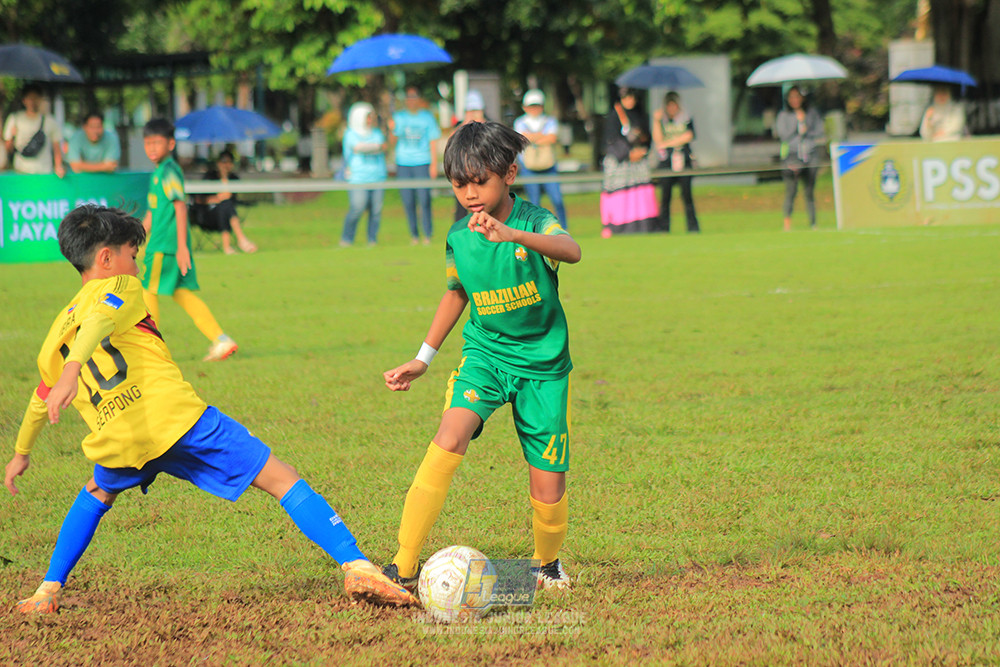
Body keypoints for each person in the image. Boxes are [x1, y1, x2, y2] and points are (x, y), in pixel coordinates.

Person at [4, 205, 418, 615]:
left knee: (96, 493)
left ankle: (47, 590)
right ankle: (357, 565)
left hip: (120, 437)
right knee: (281, 478)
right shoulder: (121, 288)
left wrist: (22, 453)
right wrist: (74, 367)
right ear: (106, 258)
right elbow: (97, 321)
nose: (137, 267)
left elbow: (39, 400)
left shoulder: (52, 335)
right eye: (133, 256)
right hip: (176, 419)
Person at [380, 121, 581, 593]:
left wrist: (512, 234)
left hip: (543, 368)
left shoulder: (533, 222)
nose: (470, 193)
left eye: (480, 181)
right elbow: (456, 293)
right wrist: (423, 358)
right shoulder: (457, 236)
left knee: (548, 485)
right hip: (485, 356)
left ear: (509, 173)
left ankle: (544, 567)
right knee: (449, 437)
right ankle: (402, 567)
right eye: (459, 183)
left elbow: (571, 250)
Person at [140, 118, 239, 361]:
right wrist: (137, 236)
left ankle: (152, 349)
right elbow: (154, 211)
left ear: (171, 144)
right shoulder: (160, 172)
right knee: (181, 293)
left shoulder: (169, 171)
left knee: (147, 289)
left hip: (165, 245)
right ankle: (221, 340)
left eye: (157, 143)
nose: (151, 148)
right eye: (147, 143)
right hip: (165, 244)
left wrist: (183, 246)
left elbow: (180, 207)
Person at [600, 87, 659, 236]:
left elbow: (647, 138)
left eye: (632, 97)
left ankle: (643, 226)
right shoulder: (615, 116)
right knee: (620, 195)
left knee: (639, 195)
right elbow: (611, 140)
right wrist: (628, 153)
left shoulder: (640, 115)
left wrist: (642, 149)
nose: (630, 100)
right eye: (626, 97)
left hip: (638, 165)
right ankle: (617, 227)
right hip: (621, 163)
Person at [391, 86, 440, 245]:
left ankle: (427, 233)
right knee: (408, 201)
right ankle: (414, 234)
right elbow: (392, 142)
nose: (411, 100)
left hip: (422, 162)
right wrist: (391, 129)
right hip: (404, 163)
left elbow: (433, 140)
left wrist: (434, 164)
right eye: (408, 97)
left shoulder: (427, 117)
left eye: (414, 97)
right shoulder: (398, 117)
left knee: (424, 199)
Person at [514, 89, 568, 229]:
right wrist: (542, 136)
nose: (534, 109)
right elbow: (523, 139)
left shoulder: (550, 120)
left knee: (557, 200)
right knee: (534, 202)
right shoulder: (520, 122)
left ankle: (564, 228)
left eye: (537, 105)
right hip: (529, 168)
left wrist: (532, 138)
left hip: (549, 166)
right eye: (531, 106)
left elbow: (552, 138)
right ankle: (537, 230)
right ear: (525, 107)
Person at [775, 86, 825, 231]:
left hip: (810, 155)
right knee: (791, 191)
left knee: (809, 191)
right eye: (792, 97)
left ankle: (813, 223)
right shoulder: (784, 115)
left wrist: (805, 125)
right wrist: (797, 125)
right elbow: (783, 135)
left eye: (797, 96)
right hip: (791, 156)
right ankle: (787, 223)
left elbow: (819, 131)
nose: (795, 100)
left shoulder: (811, 113)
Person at [340, 102, 388, 247]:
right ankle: (347, 238)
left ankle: (372, 239)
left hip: (377, 177)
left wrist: (373, 147)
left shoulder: (376, 133)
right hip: (358, 178)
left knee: (376, 211)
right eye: (367, 117)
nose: (369, 120)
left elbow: (383, 147)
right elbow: (358, 148)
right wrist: (374, 147)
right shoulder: (350, 134)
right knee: (357, 208)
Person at [652, 92, 699, 233]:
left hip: (683, 160)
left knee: (687, 196)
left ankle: (693, 228)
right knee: (665, 197)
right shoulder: (662, 120)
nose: (672, 108)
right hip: (667, 162)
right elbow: (658, 142)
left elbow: (689, 136)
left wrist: (670, 142)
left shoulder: (685, 118)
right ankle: (664, 228)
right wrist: (656, 120)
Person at [3, 84, 65, 177]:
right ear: (24, 100)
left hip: (44, 172)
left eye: (36, 98)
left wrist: (58, 165)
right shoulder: (14, 119)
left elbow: (56, 146)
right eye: (30, 98)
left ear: (41, 100)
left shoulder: (50, 121)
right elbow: (7, 148)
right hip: (21, 171)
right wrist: (12, 137)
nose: (33, 101)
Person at [202, 150, 257, 255]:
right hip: (208, 215)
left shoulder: (233, 179)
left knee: (225, 206)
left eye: (228, 162)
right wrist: (217, 198)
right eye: (223, 162)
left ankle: (228, 246)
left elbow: (228, 196)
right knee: (225, 206)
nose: (226, 165)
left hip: (225, 213)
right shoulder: (210, 177)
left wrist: (224, 178)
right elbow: (201, 199)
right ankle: (241, 240)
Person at [452, 89, 488, 222]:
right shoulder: (460, 126)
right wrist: (466, 123)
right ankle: (461, 228)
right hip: (464, 171)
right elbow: (451, 142)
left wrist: (480, 122)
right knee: (461, 203)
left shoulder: (489, 124)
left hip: (483, 171)